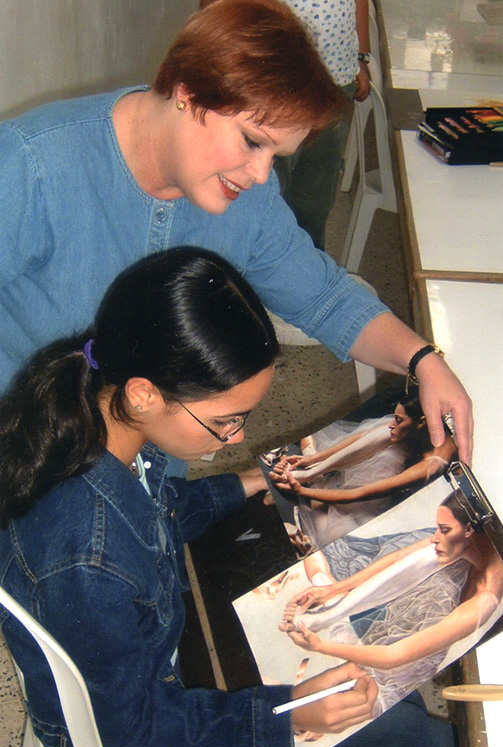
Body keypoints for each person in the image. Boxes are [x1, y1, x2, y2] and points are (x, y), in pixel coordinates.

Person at [0, 0, 473, 468]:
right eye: (252, 141)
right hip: (29, 455)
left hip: (151, 454)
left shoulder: (246, 199)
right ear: (187, 91)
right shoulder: (35, 166)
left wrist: (423, 360)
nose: (261, 176)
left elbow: (323, 297)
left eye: (276, 156)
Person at [0, 247, 378, 747]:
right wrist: (283, 716)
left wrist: (248, 480)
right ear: (144, 394)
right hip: (143, 716)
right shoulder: (89, 560)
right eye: (225, 420)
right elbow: (131, 733)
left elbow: (159, 510)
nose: (236, 438)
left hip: (141, 660)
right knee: (404, 726)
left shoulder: (99, 420)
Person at [280, 492, 503, 717]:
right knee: (329, 569)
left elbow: (393, 656)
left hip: (396, 670)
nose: (436, 537)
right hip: (390, 617)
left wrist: (319, 646)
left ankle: (328, 602)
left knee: (352, 702)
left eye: (444, 530)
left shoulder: (483, 600)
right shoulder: (459, 543)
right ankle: (329, 607)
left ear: (469, 531)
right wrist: (335, 589)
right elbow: (400, 556)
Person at [200, 0, 371, 251]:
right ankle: (248, 269)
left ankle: (306, 269)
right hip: (275, 83)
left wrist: (361, 58)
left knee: (316, 194)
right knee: (263, 188)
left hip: (336, 79)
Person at [269, 390, 457, 547]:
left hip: (380, 496)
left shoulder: (431, 465)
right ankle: (311, 471)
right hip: (405, 450)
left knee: (329, 538)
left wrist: (304, 491)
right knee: (387, 431)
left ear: (422, 422)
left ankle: (313, 474)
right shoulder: (410, 427)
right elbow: (362, 438)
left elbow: (359, 494)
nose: (393, 423)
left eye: (399, 420)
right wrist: (312, 460)